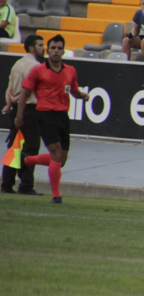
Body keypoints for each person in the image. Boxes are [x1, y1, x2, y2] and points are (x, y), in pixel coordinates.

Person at [13, 35, 90, 204]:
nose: (56, 51)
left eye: (59, 48)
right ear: (48, 51)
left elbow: (74, 90)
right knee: (55, 153)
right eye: (53, 48)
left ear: (63, 51)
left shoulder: (70, 70)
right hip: (45, 115)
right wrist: (20, 116)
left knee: (61, 160)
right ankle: (56, 195)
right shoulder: (38, 70)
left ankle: (28, 160)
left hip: (63, 116)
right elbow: (24, 93)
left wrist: (81, 95)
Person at [1, 34, 44, 195]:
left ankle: (6, 183)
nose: (43, 48)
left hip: (16, 109)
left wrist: (10, 103)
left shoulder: (17, 64)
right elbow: (29, 91)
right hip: (29, 110)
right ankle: (26, 185)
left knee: (13, 147)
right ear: (32, 48)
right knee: (31, 148)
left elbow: (10, 89)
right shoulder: (35, 67)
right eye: (40, 45)